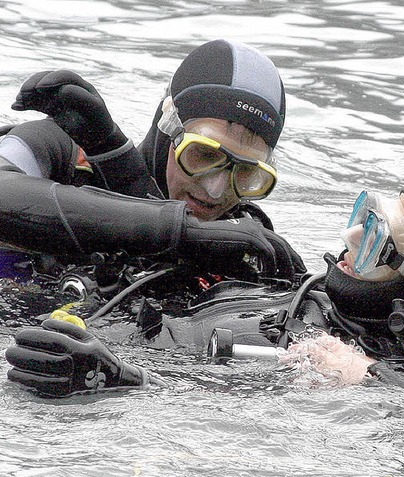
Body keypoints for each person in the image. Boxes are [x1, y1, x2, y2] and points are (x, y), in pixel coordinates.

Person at [5, 181, 404, 397]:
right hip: (87, 303)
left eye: (376, 239)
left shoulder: (335, 359)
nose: (350, 236)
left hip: (85, 351)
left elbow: (205, 398)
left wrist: (114, 379)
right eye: (366, 215)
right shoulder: (302, 284)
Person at [0, 39, 305, 290]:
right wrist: (182, 232)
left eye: (247, 173)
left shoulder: (245, 249)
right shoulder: (61, 154)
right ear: (167, 127)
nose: (216, 191)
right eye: (204, 154)